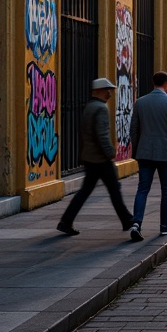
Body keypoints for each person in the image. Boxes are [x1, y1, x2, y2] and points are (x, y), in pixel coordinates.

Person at [57, 77, 134, 237]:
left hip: (90, 157)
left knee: (85, 191)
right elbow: (102, 134)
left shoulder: (89, 107)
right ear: (98, 91)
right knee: (114, 190)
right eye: (107, 90)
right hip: (101, 159)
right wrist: (110, 152)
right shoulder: (100, 108)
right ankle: (127, 220)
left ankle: (66, 221)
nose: (110, 93)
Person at [129, 71, 167, 241]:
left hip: (145, 152)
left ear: (153, 83)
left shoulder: (140, 102)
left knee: (143, 188)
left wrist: (136, 150)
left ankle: (136, 223)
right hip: (165, 153)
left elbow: (133, 129)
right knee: (166, 189)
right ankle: (165, 226)